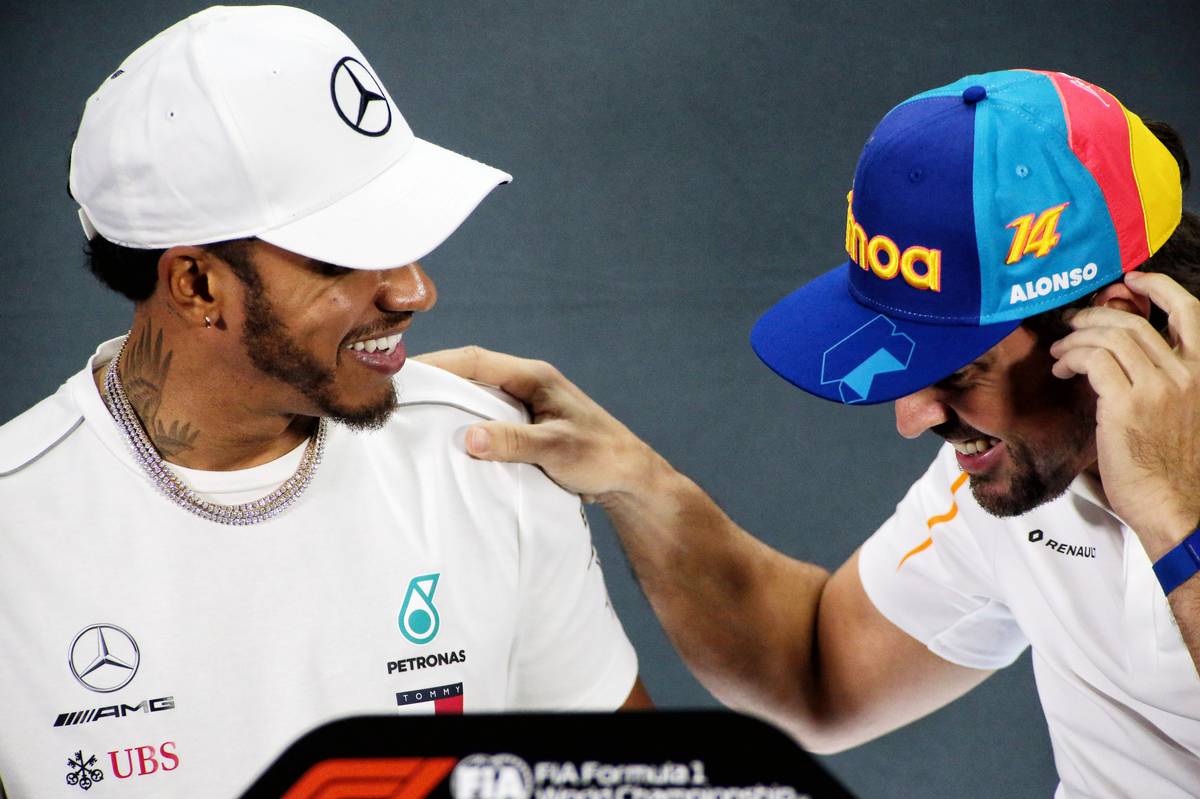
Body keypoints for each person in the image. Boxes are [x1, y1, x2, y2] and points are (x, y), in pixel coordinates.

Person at [422, 70, 1200, 797]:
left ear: (1115, 324)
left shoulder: (1071, 460)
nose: (912, 417)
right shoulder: (1031, 462)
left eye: (958, 370)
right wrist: (638, 481)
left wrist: (1173, 520)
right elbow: (818, 674)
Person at [0, 6, 648, 797]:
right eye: (347, 254)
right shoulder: (16, 530)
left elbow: (632, 781)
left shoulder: (486, 456)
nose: (415, 289)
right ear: (197, 284)